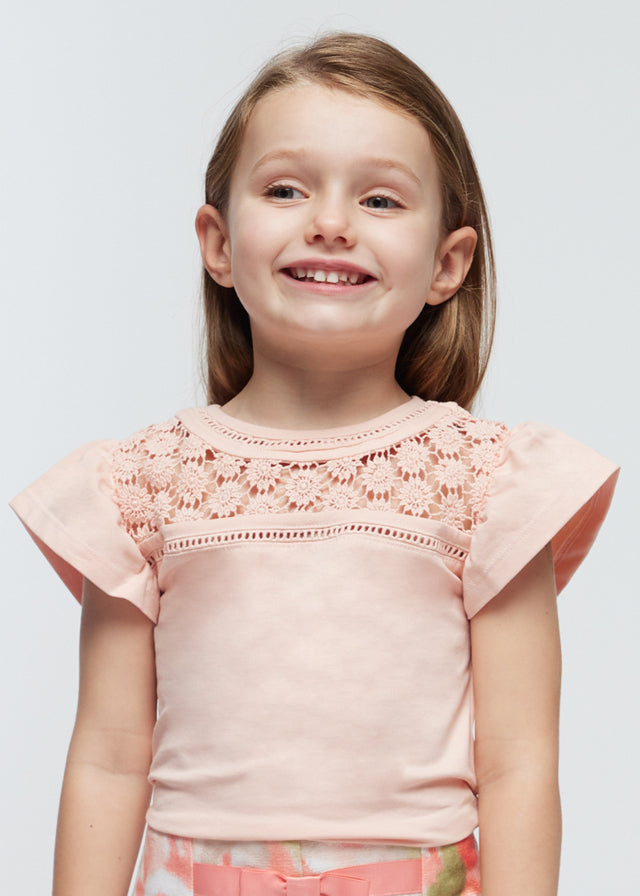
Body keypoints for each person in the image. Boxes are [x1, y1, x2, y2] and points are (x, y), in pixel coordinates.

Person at [11, 32, 618, 896]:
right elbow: (108, 759)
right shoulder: (140, 485)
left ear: (448, 264)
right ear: (218, 243)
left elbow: (519, 764)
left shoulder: (489, 485)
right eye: (286, 189)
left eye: (379, 198)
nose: (330, 223)